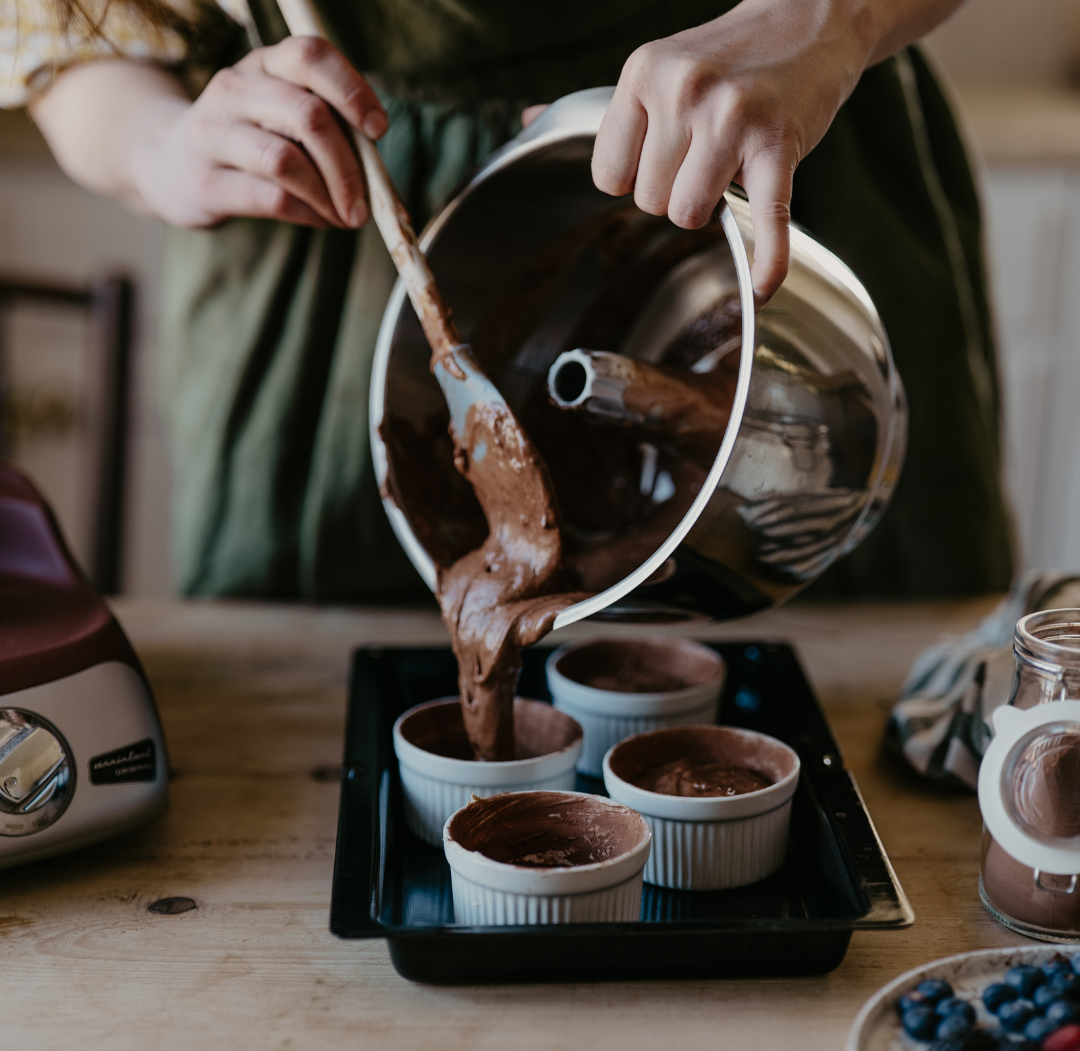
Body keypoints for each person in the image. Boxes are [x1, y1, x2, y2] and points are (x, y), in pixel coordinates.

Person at [3, 0, 1013, 602]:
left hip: (766, 144)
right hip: (340, 224)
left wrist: (820, 22)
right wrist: (157, 147)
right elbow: (68, 29)